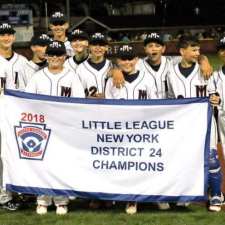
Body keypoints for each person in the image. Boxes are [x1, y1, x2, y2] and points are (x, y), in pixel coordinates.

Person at [26, 41, 85, 215]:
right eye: (51, 55)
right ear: (46, 56)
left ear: (64, 57)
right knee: (42, 165)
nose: (55, 58)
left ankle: (61, 200)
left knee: (61, 164)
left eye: (58, 55)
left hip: (63, 128)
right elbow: (27, 102)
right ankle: (42, 199)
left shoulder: (72, 76)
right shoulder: (38, 77)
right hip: (42, 128)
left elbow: (79, 102)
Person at [167, 35, 222, 212]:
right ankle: (188, 193)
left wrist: (215, 98)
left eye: (199, 50)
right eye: (194, 50)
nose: (198, 53)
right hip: (183, 124)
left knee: (212, 159)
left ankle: (216, 194)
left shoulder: (205, 70)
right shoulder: (171, 72)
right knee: (185, 159)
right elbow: (169, 98)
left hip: (205, 121)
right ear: (182, 51)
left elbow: (215, 94)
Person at [105, 45, 157, 214]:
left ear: (136, 60)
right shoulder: (111, 80)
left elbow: (156, 106)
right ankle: (129, 198)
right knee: (123, 166)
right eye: (123, 59)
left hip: (143, 131)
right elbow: (106, 107)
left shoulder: (148, 79)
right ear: (117, 61)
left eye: (130, 58)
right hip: (120, 132)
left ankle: (150, 196)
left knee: (143, 165)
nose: (127, 62)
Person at [76, 32, 112, 99]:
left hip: (109, 108)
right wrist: (86, 98)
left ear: (106, 47)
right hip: (88, 107)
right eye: (94, 44)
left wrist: (108, 96)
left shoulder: (112, 66)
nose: (98, 48)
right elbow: (76, 93)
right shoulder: (80, 68)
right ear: (89, 47)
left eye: (101, 45)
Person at [0, 22, 28, 91]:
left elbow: (30, 87)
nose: (6, 38)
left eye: (9, 35)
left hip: (20, 101)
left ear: (13, 37)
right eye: (2, 35)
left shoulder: (23, 61)